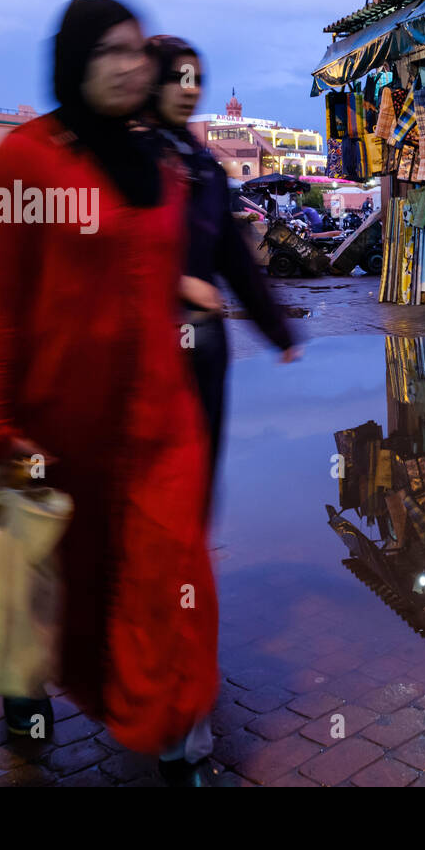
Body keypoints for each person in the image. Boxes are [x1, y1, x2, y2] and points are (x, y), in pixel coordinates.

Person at [0, 0, 218, 785]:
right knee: (51, 581)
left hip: (158, 420)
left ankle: (175, 725)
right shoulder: (26, 161)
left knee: (169, 567)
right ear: (74, 60)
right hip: (57, 425)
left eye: (136, 50)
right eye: (108, 50)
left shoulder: (162, 163)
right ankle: (25, 687)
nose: (128, 65)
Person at [144, 34, 301, 503]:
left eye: (197, 79)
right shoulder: (127, 161)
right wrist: (175, 281)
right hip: (146, 350)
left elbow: (235, 259)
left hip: (204, 350)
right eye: (178, 77)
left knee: (198, 482)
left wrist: (278, 331)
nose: (190, 88)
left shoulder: (205, 168)